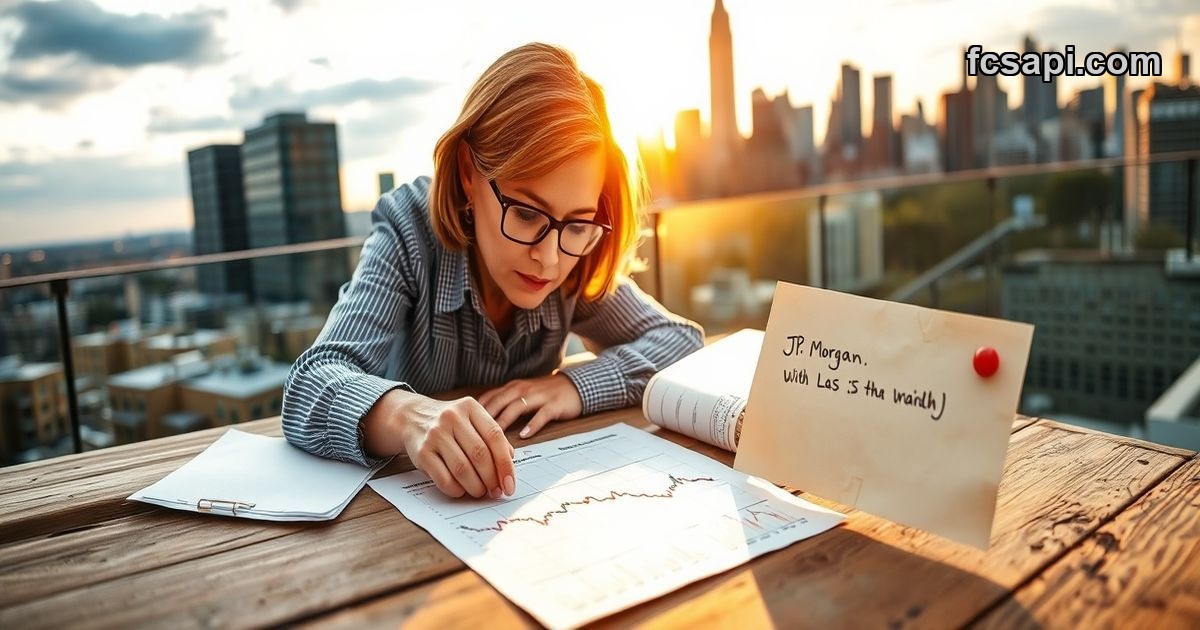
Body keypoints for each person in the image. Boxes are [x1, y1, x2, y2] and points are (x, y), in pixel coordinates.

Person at [281, 42, 705, 501]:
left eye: (577, 222)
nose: (549, 259)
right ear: (468, 171)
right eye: (526, 214)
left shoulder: (573, 250)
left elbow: (682, 341)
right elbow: (310, 382)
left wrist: (572, 385)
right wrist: (407, 416)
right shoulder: (410, 232)